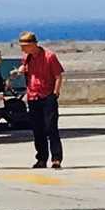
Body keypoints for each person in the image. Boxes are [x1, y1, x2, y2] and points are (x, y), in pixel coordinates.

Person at [19, 31, 65, 169]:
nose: (22, 49)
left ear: (33, 44)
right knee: (37, 130)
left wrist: (55, 93)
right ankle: (41, 158)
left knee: (51, 128)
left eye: (25, 46)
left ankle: (56, 158)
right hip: (33, 96)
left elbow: (58, 75)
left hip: (47, 96)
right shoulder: (26, 58)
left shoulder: (49, 57)